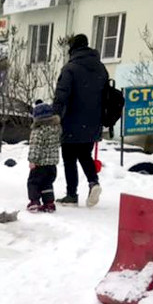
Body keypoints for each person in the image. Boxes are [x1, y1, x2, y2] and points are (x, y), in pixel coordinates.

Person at [52, 34, 109, 207]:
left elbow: (62, 95)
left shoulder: (70, 68)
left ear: (73, 48)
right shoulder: (101, 68)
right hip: (93, 121)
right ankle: (93, 182)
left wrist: (55, 116)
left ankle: (71, 194)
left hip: (71, 119)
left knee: (69, 157)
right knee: (85, 154)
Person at [26, 100, 60, 213]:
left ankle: (34, 201)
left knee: (33, 182)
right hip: (52, 164)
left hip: (40, 163)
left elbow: (35, 146)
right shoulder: (56, 129)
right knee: (47, 183)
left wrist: (32, 160)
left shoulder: (38, 131)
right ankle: (49, 203)